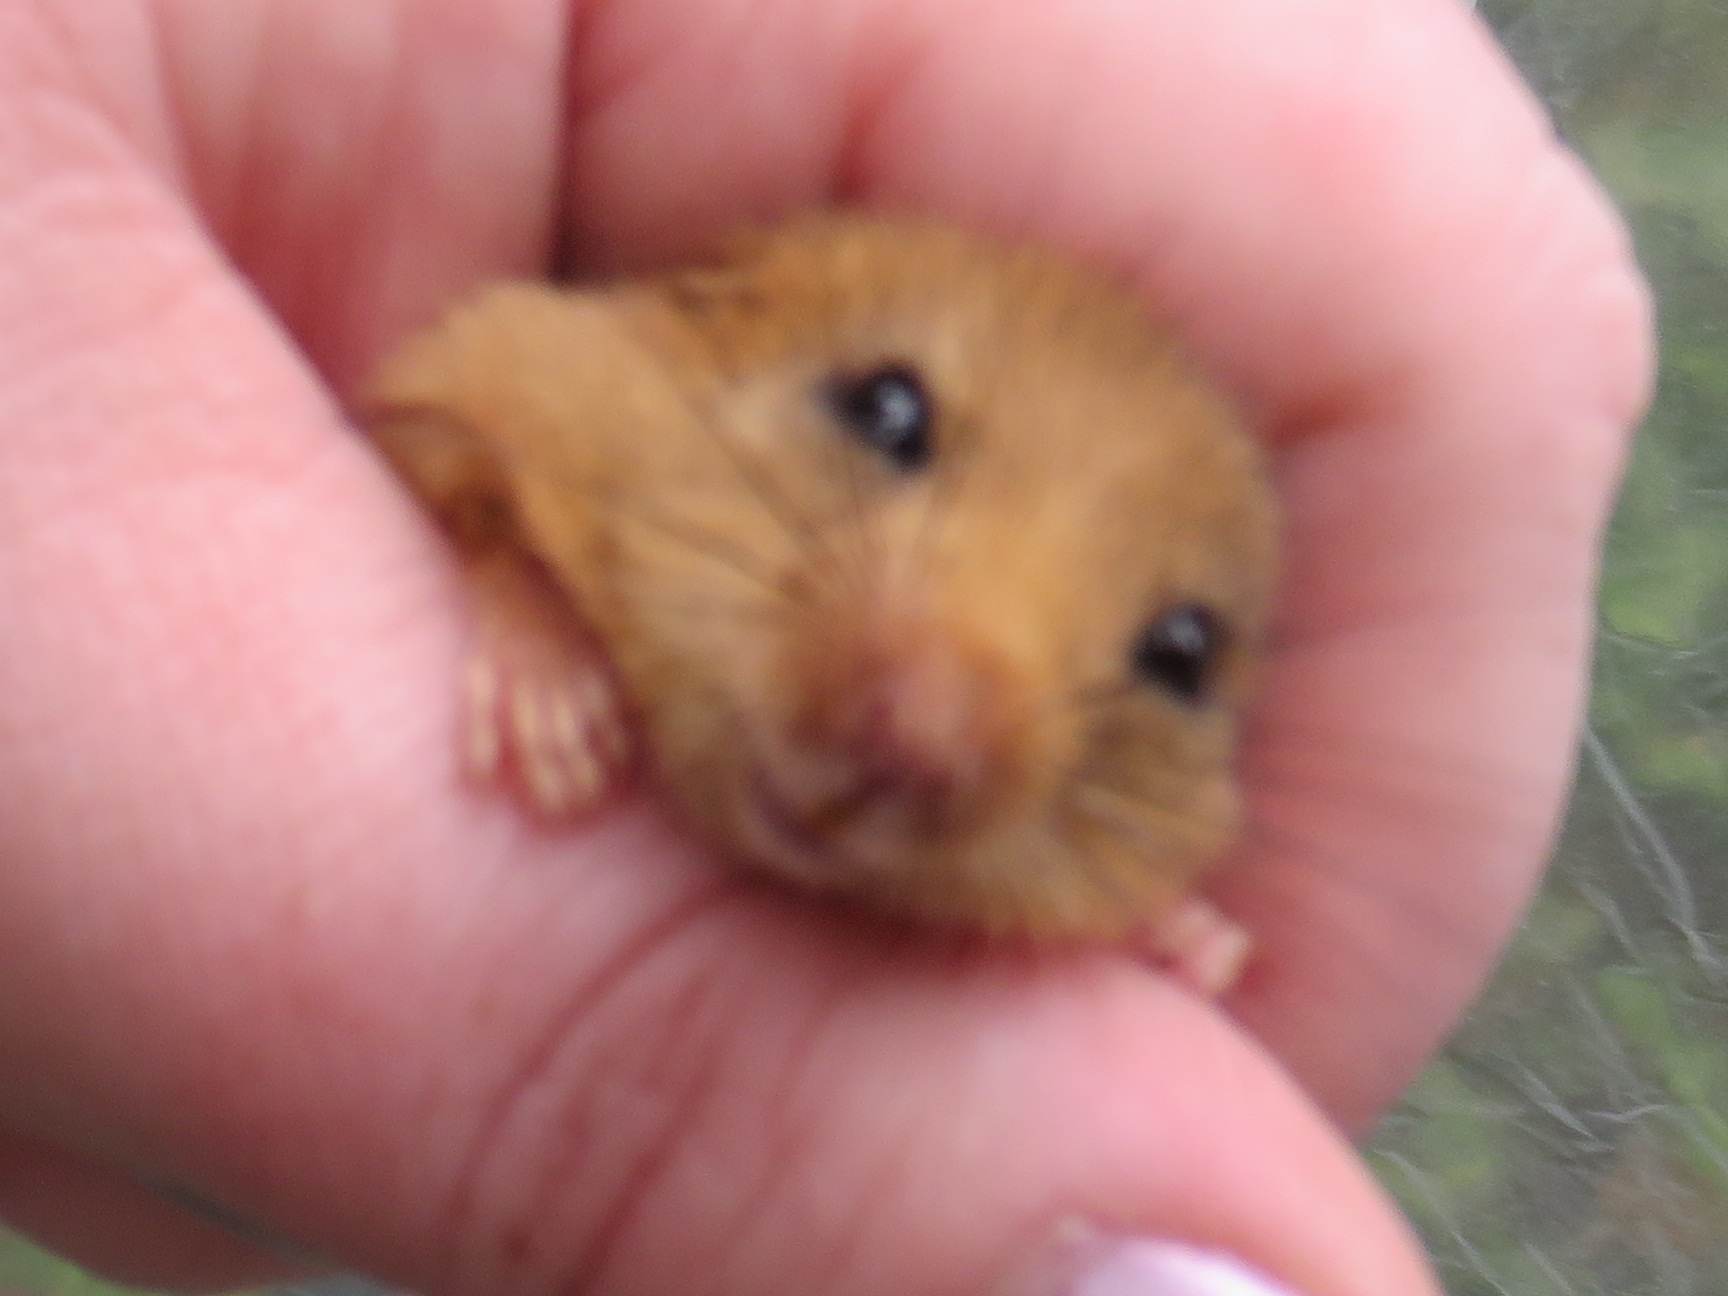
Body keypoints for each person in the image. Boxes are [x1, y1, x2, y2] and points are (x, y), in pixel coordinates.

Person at [0, 2, 1651, 1294]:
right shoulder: (605, 403)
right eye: (885, 419)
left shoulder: (1124, 839)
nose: (930, 725)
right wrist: (506, 582)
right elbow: (488, 375)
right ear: (722, 311)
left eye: (1170, 653)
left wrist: (1147, 935)